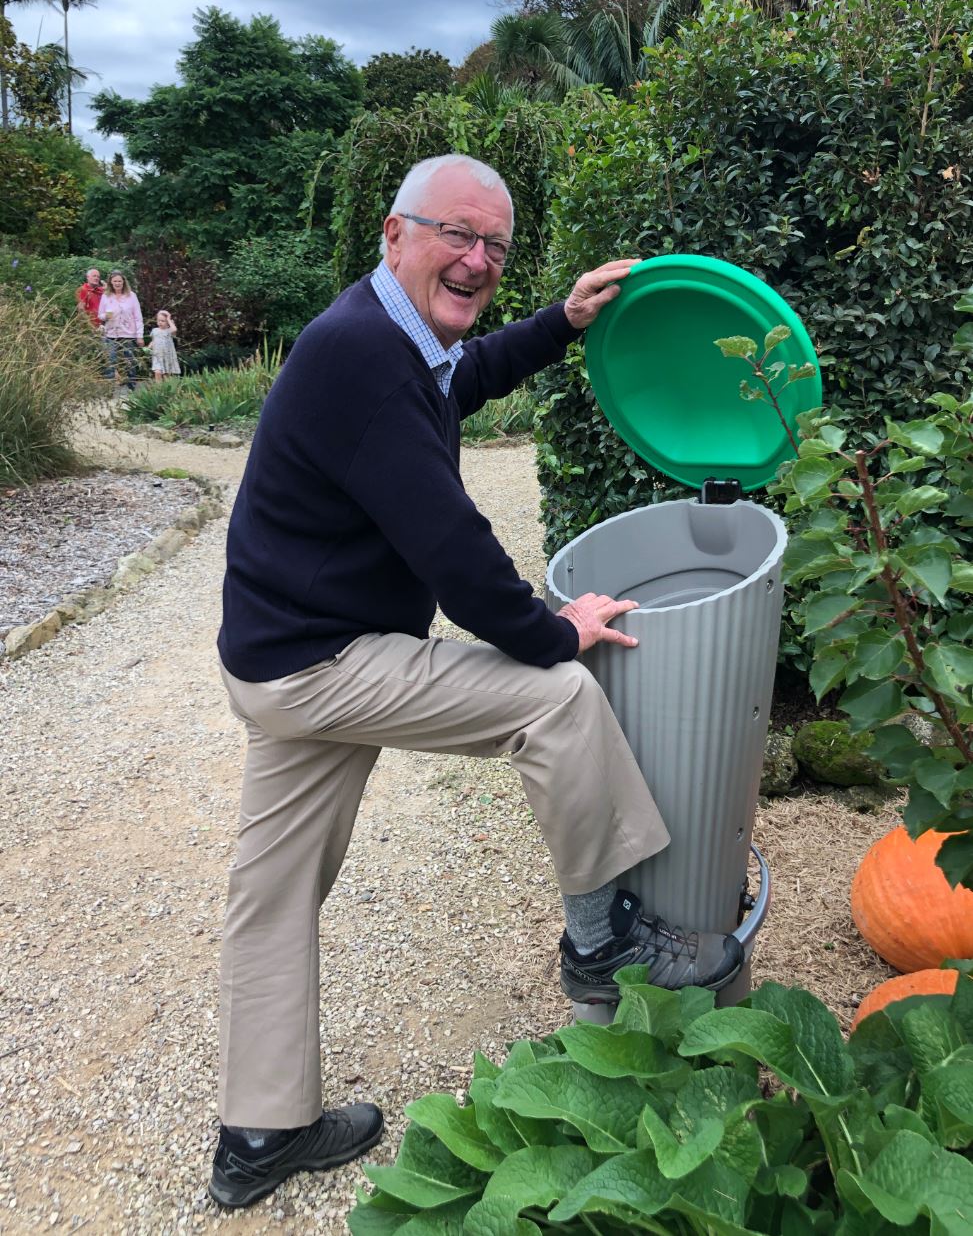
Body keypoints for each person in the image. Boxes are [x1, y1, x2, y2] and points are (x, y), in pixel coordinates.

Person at [210, 153, 743, 1210]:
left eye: (494, 244)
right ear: (392, 233)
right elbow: (457, 554)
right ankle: (603, 944)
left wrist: (564, 320)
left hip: (274, 651)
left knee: (269, 893)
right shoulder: (362, 356)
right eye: (456, 233)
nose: (477, 258)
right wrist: (555, 629)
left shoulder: (389, 333)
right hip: (326, 656)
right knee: (556, 697)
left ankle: (257, 1129)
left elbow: (470, 371)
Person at [97, 270, 144, 391]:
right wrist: (105, 316)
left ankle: (132, 387)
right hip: (111, 333)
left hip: (128, 334)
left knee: (130, 361)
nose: (117, 283)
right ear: (111, 283)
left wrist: (140, 335)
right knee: (110, 361)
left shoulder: (132, 296)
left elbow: (138, 317)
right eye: (115, 281)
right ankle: (110, 389)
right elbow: (100, 315)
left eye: (119, 281)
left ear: (123, 282)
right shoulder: (106, 296)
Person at [148, 309, 180, 381]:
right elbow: (153, 341)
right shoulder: (155, 330)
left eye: (163, 321)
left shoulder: (169, 331)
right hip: (157, 355)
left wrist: (168, 318)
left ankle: (166, 389)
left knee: (166, 375)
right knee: (157, 371)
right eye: (158, 320)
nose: (160, 322)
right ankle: (158, 388)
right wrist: (149, 347)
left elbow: (174, 329)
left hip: (167, 356)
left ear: (168, 322)